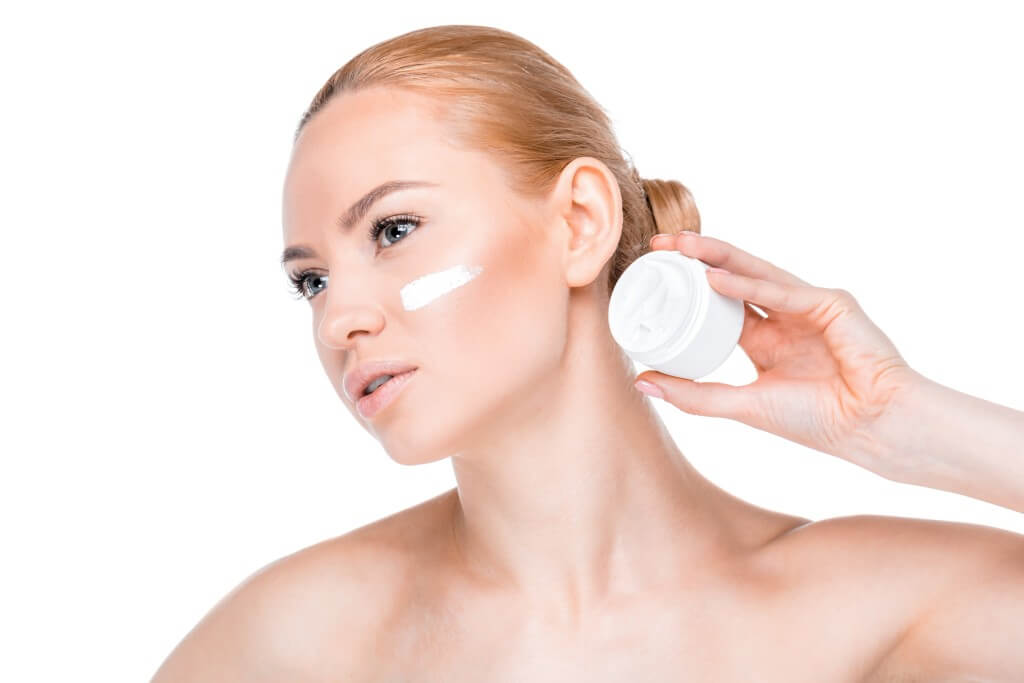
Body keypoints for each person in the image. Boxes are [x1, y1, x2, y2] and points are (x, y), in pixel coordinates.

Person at [151, 24, 1024, 682]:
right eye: (310, 281)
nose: (338, 316)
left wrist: (900, 423)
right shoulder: (301, 640)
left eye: (394, 229)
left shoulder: (869, 614)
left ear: (579, 224)